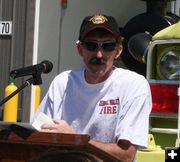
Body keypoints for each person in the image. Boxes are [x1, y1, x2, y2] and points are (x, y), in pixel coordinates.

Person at [34, 14, 152, 162]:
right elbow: (39, 138)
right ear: (79, 49)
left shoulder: (133, 85)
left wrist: (75, 140)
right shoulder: (62, 82)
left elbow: (126, 155)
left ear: (118, 50)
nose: (99, 54)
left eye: (107, 46)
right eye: (91, 45)